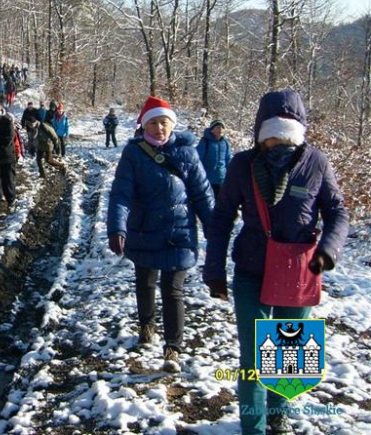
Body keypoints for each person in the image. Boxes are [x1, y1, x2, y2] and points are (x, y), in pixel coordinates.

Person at [203, 90, 348, 435]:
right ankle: (254, 426)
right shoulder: (243, 164)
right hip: (251, 271)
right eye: (271, 137)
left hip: (299, 272)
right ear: (259, 132)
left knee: (289, 351)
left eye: (284, 135)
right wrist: (214, 270)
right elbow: (222, 217)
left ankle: (279, 415)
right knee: (254, 358)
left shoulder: (316, 163)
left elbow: (337, 212)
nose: (277, 143)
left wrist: (329, 249)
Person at [106, 96, 213, 373]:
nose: (159, 128)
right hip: (144, 231)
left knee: (173, 290)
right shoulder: (134, 154)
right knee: (145, 281)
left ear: (172, 125)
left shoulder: (187, 153)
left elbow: (202, 195)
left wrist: (216, 231)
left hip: (180, 234)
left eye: (164, 123)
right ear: (144, 125)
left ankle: (173, 348)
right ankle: (146, 324)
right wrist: (117, 227)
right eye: (153, 123)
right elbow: (121, 195)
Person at [196, 119, 233, 198]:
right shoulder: (205, 141)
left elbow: (228, 159)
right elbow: (198, 160)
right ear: (212, 130)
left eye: (223, 128)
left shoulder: (225, 143)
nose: (221, 129)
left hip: (222, 180)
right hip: (208, 180)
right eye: (218, 127)